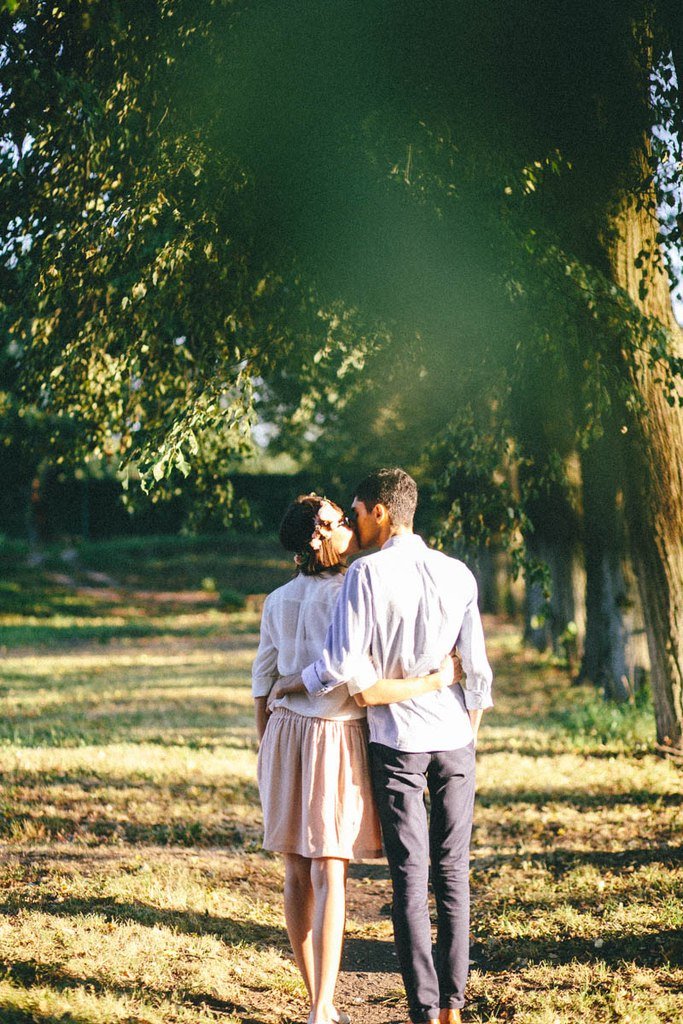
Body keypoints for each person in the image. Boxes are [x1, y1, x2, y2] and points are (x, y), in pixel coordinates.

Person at [273, 469, 493, 1024]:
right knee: (454, 872)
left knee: (410, 878)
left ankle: (424, 1010)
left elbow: (341, 666)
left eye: (356, 511)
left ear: (380, 512)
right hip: (455, 739)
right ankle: (453, 1007)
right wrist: (465, 732)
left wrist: (294, 681)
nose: (353, 521)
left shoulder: (367, 573)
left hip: (398, 740)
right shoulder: (458, 572)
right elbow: (477, 674)